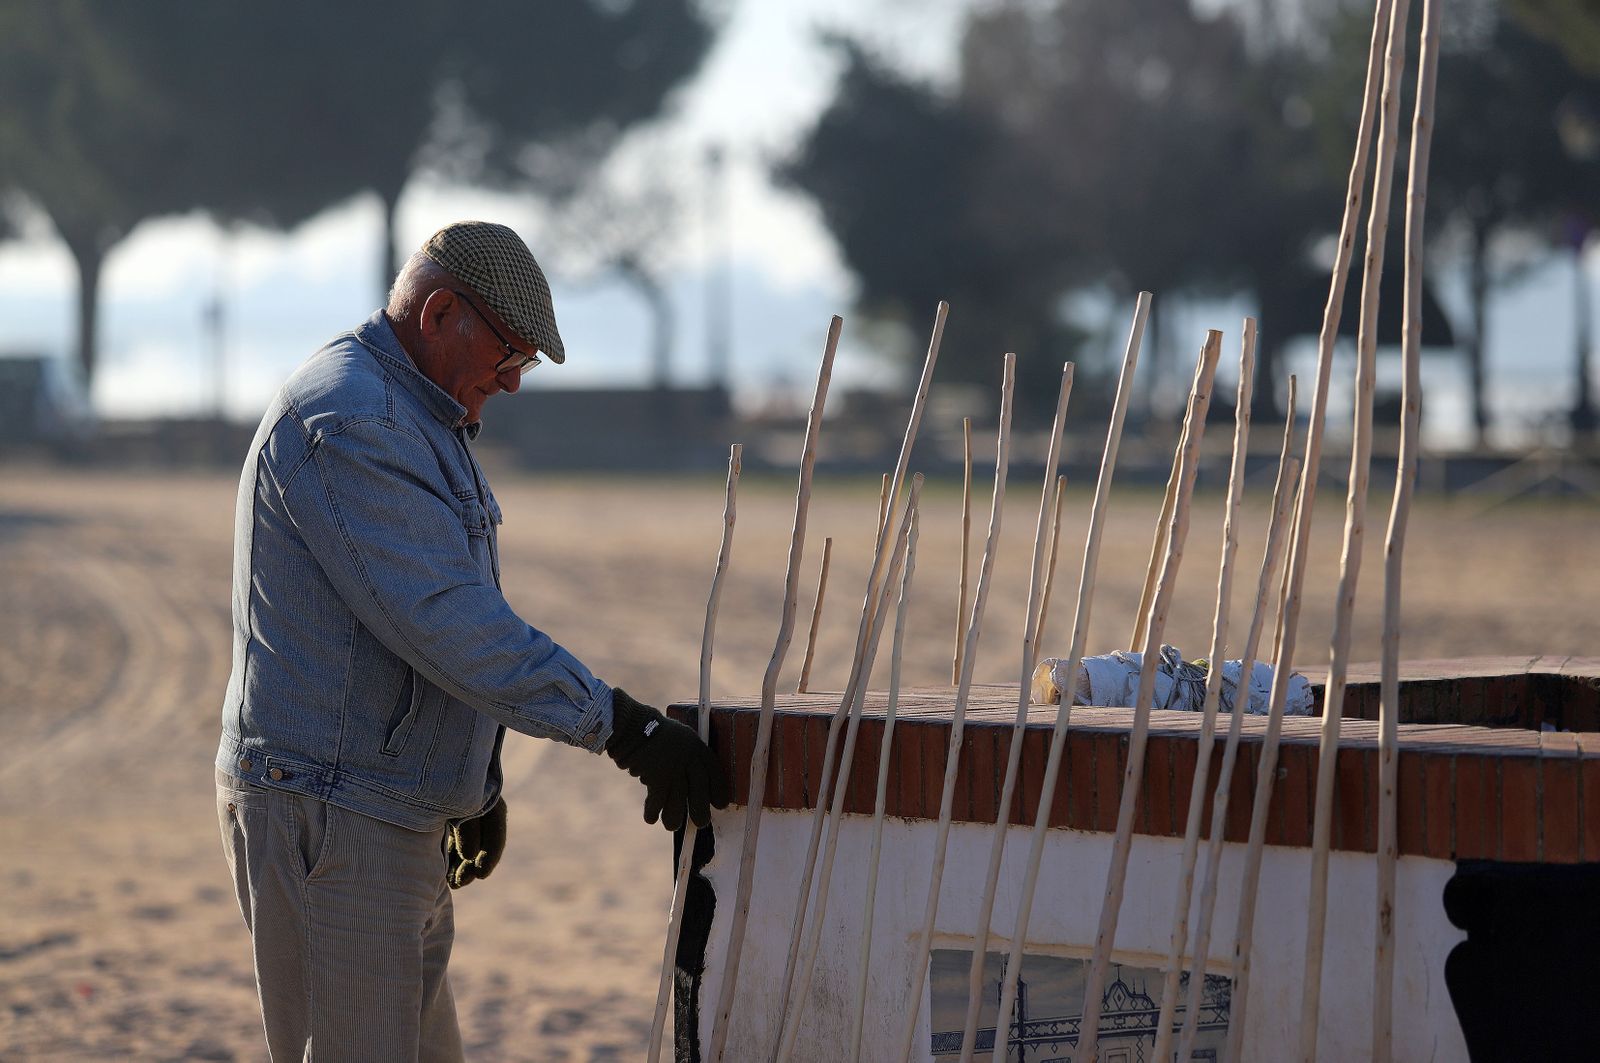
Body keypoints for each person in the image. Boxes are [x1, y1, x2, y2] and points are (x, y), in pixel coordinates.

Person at [213, 220, 729, 1061]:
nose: (515, 380)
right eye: (510, 352)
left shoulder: (417, 412)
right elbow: (447, 622)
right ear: (441, 312)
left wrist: (471, 783)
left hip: (385, 813)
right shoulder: (354, 421)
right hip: (334, 821)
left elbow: (428, 628)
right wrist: (622, 726)